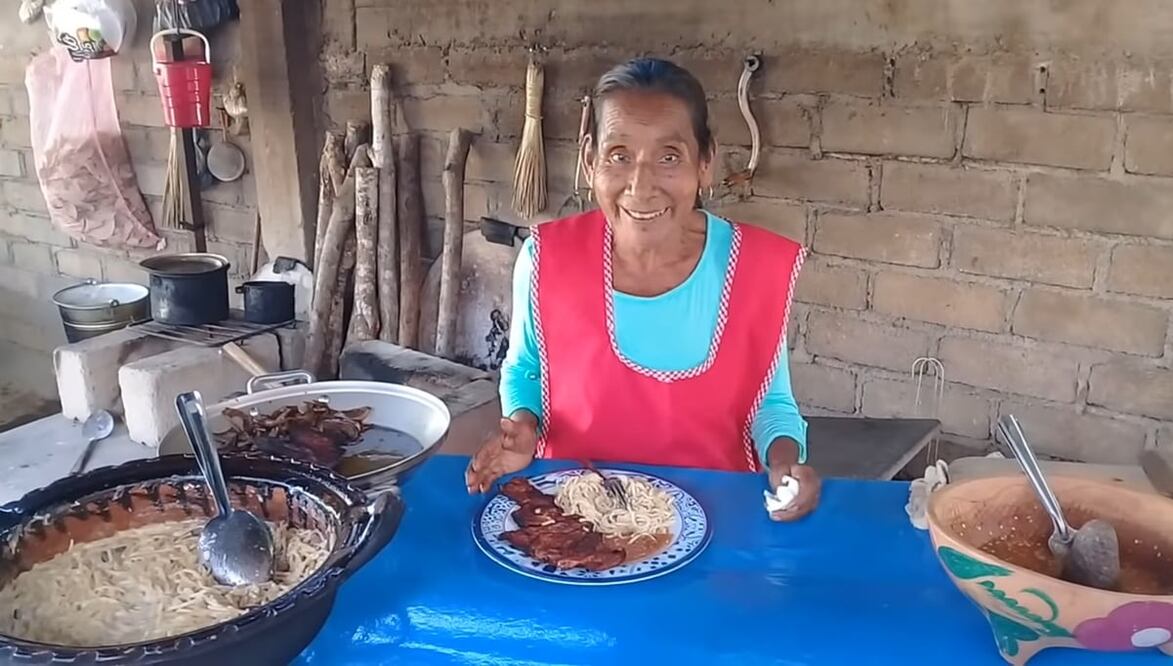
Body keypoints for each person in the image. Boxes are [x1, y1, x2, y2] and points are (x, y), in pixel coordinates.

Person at [465, 57, 820, 521]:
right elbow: (527, 369)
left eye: (669, 157)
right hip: (575, 521)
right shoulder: (547, 261)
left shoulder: (753, 269)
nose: (641, 185)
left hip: (717, 528)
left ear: (706, 163)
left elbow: (770, 401)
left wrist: (785, 463)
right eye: (619, 155)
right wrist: (524, 426)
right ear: (590, 160)